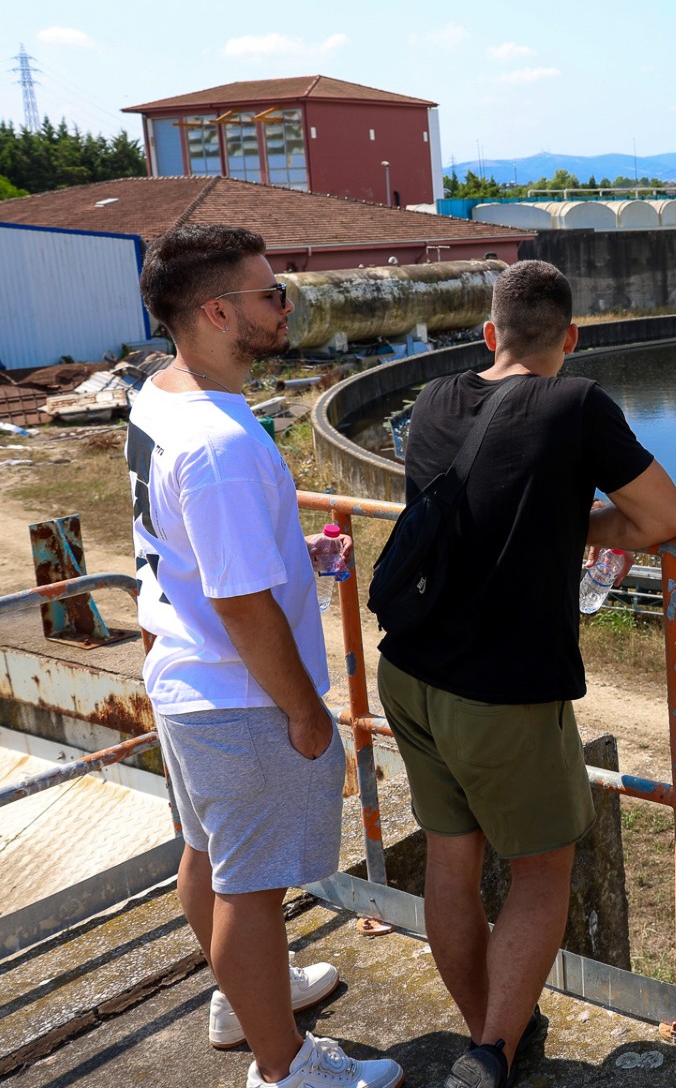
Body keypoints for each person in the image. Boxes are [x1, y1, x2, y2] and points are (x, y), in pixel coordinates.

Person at [376, 259, 676, 1088]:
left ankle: (493, 1038)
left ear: (490, 333)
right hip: (503, 689)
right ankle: (490, 1052)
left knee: (452, 858)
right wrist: (580, 522)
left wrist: (556, 516)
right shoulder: (579, 402)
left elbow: (475, 506)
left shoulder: (436, 399)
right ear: (571, 338)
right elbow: (665, 518)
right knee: (544, 866)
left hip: (407, 671)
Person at [128, 224, 402, 1088]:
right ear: (215, 311)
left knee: (211, 857)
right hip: (238, 698)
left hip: (183, 678)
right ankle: (283, 1068)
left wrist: (294, 556)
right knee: (249, 885)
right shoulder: (220, 443)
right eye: (269, 293)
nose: (285, 306)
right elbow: (241, 602)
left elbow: (185, 548)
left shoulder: (158, 397)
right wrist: (306, 710)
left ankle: (246, 998)